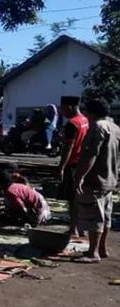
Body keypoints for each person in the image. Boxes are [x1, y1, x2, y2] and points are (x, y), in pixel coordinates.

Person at [72, 98, 119, 263]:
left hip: (96, 179)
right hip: (110, 178)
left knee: (94, 217)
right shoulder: (115, 127)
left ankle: (93, 253)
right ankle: (102, 248)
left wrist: (80, 176)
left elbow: (92, 154)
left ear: (91, 112)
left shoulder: (98, 127)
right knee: (106, 217)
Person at [57, 96, 90, 237]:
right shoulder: (86, 121)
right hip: (85, 163)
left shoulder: (72, 124)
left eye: (63, 108)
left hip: (73, 164)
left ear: (70, 107)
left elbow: (68, 147)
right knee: (82, 197)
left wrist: (61, 167)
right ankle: (82, 228)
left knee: (73, 198)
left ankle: (74, 229)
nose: (62, 112)